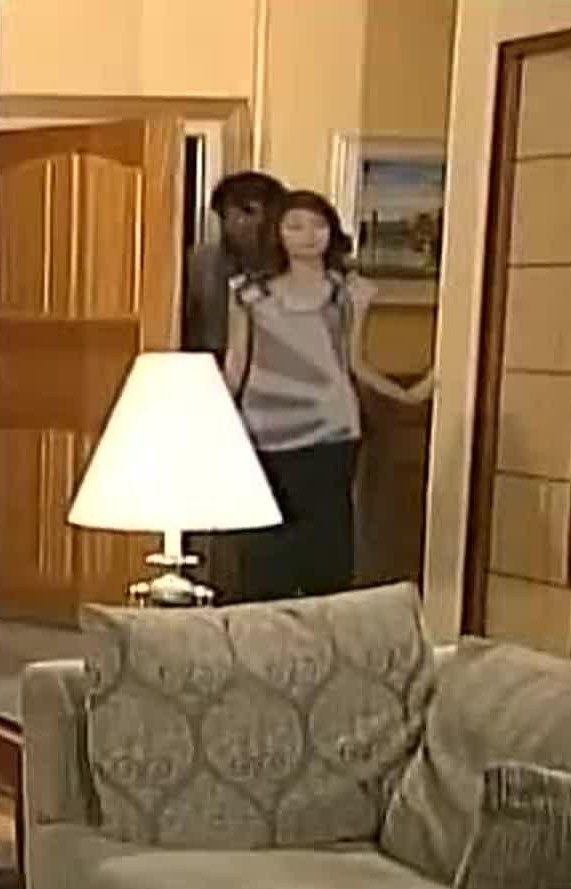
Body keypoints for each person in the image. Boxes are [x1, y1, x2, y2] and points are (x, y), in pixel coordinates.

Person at [223, 190, 433, 603]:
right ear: (277, 233)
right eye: (295, 226)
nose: (308, 235)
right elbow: (236, 364)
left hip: (332, 430)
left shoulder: (351, 293)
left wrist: (410, 396)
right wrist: (211, 420)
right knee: (265, 547)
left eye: (318, 225)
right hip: (264, 431)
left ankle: (326, 625)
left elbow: (355, 362)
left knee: (328, 541)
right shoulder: (248, 294)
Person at [183, 171, 287, 359]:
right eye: (225, 214)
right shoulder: (200, 265)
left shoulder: (299, 267)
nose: (236, 222)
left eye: (249, 211)